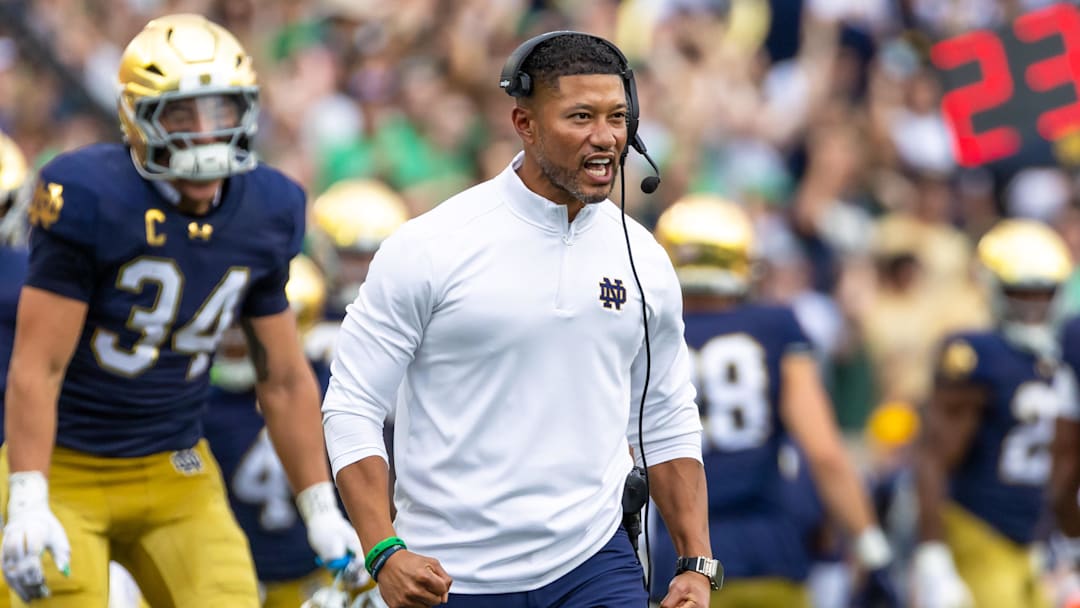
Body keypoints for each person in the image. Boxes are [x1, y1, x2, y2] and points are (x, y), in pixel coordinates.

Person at [321, 31, 714, 608]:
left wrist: (695, 562)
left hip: (594, 564)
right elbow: (351, 404)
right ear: (524, 123)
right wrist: (382, 550)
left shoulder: (644, 256)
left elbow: (664, 416)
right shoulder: (431, 245)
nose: (605, 138)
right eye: (580, 116)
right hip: (450, 574)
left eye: (618, 117)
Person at [1, 14, 360, 606]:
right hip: (64, 464)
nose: (205, 132)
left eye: (221, 110)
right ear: (135, 118)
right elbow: (37, 366)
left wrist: (319, 507)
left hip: (175, 466)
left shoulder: (268, 206)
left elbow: (285, 379)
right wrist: (28, 495)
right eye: (181, 114)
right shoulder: (90, 194)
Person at [649, 195, 896, 608]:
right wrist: (872, 549)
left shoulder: (645, 332)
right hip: (768, 553)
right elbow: (825, 453)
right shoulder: (775, 326)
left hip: (676, 560)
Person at [913, 218, 1070, 608]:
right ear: (994, 288)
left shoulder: (1064, 355)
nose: (1033, 306)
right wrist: (932, 552)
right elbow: (933, 456)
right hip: (980, 527)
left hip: (1036, 537)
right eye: (1020, 293)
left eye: (1043, 294)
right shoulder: (976, 355)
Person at [204, 254, 377, 608]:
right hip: (240, 569)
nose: (234, 343)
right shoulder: (207, 400)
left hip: (317, 566)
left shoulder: (335, 387)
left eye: (244, 330)